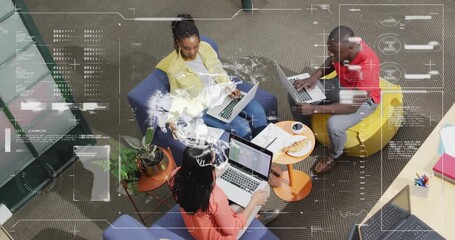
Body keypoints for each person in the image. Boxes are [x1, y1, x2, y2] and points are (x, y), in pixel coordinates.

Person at [156, 14, 268, 140]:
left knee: (257, 111)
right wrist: (172, 120)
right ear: (178, 43)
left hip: (222, 95)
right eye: (187, 48)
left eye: (195, 46)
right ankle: (255, 155)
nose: (192, 52)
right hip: (205, 108)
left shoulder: (206, 48)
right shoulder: (174, 69)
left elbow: (219, 72)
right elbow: (177, 97)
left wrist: (229, 87)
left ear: (199, 41)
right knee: (242, 127)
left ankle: (266, 147)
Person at [291, 26, 380, 174]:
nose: (329, 53)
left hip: (364, 101)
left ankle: (334, 156)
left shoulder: (368, 67)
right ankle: (307, 134)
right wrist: (314, 76)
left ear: (350, 48)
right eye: (329, 49)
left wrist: (314, 109)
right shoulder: (342, 49)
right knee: (297, 94)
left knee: (334, 125)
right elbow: (332, 60)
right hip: (342, 83)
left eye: (334, 51)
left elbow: (351, 107)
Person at [170, 144, 276, 239]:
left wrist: (219, 171)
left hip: (194, 228)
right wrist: (254, 202)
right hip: (218, 237)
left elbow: (196, 175)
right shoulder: (215, 197)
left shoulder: (175, 176)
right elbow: (231, 229)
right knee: (264, 189)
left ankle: (253, 215)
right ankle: (257, 217)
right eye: (212, 162)